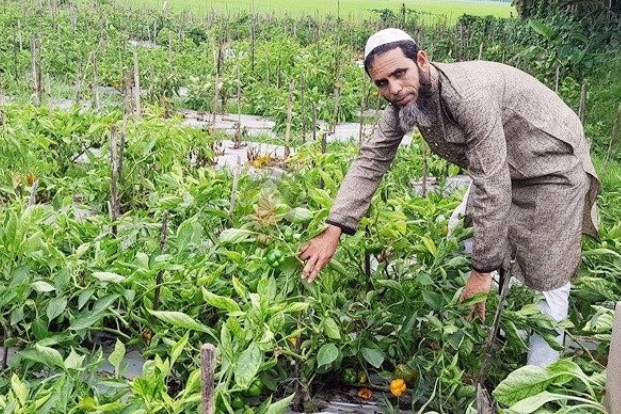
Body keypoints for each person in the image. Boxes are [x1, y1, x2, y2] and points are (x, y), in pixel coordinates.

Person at [297, 28, 600, 367]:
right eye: (382, 83)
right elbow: (371, 159)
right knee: (465, 238)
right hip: (502, 165)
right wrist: (334, 228)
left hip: (549, 165)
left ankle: (539, 380)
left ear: (421, 60)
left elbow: (492, 184)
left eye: (400, 73)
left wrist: (481, 273)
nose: (394, 88)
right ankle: (491, 328)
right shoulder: (404, 101)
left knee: (549, 277)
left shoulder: (469, 96)